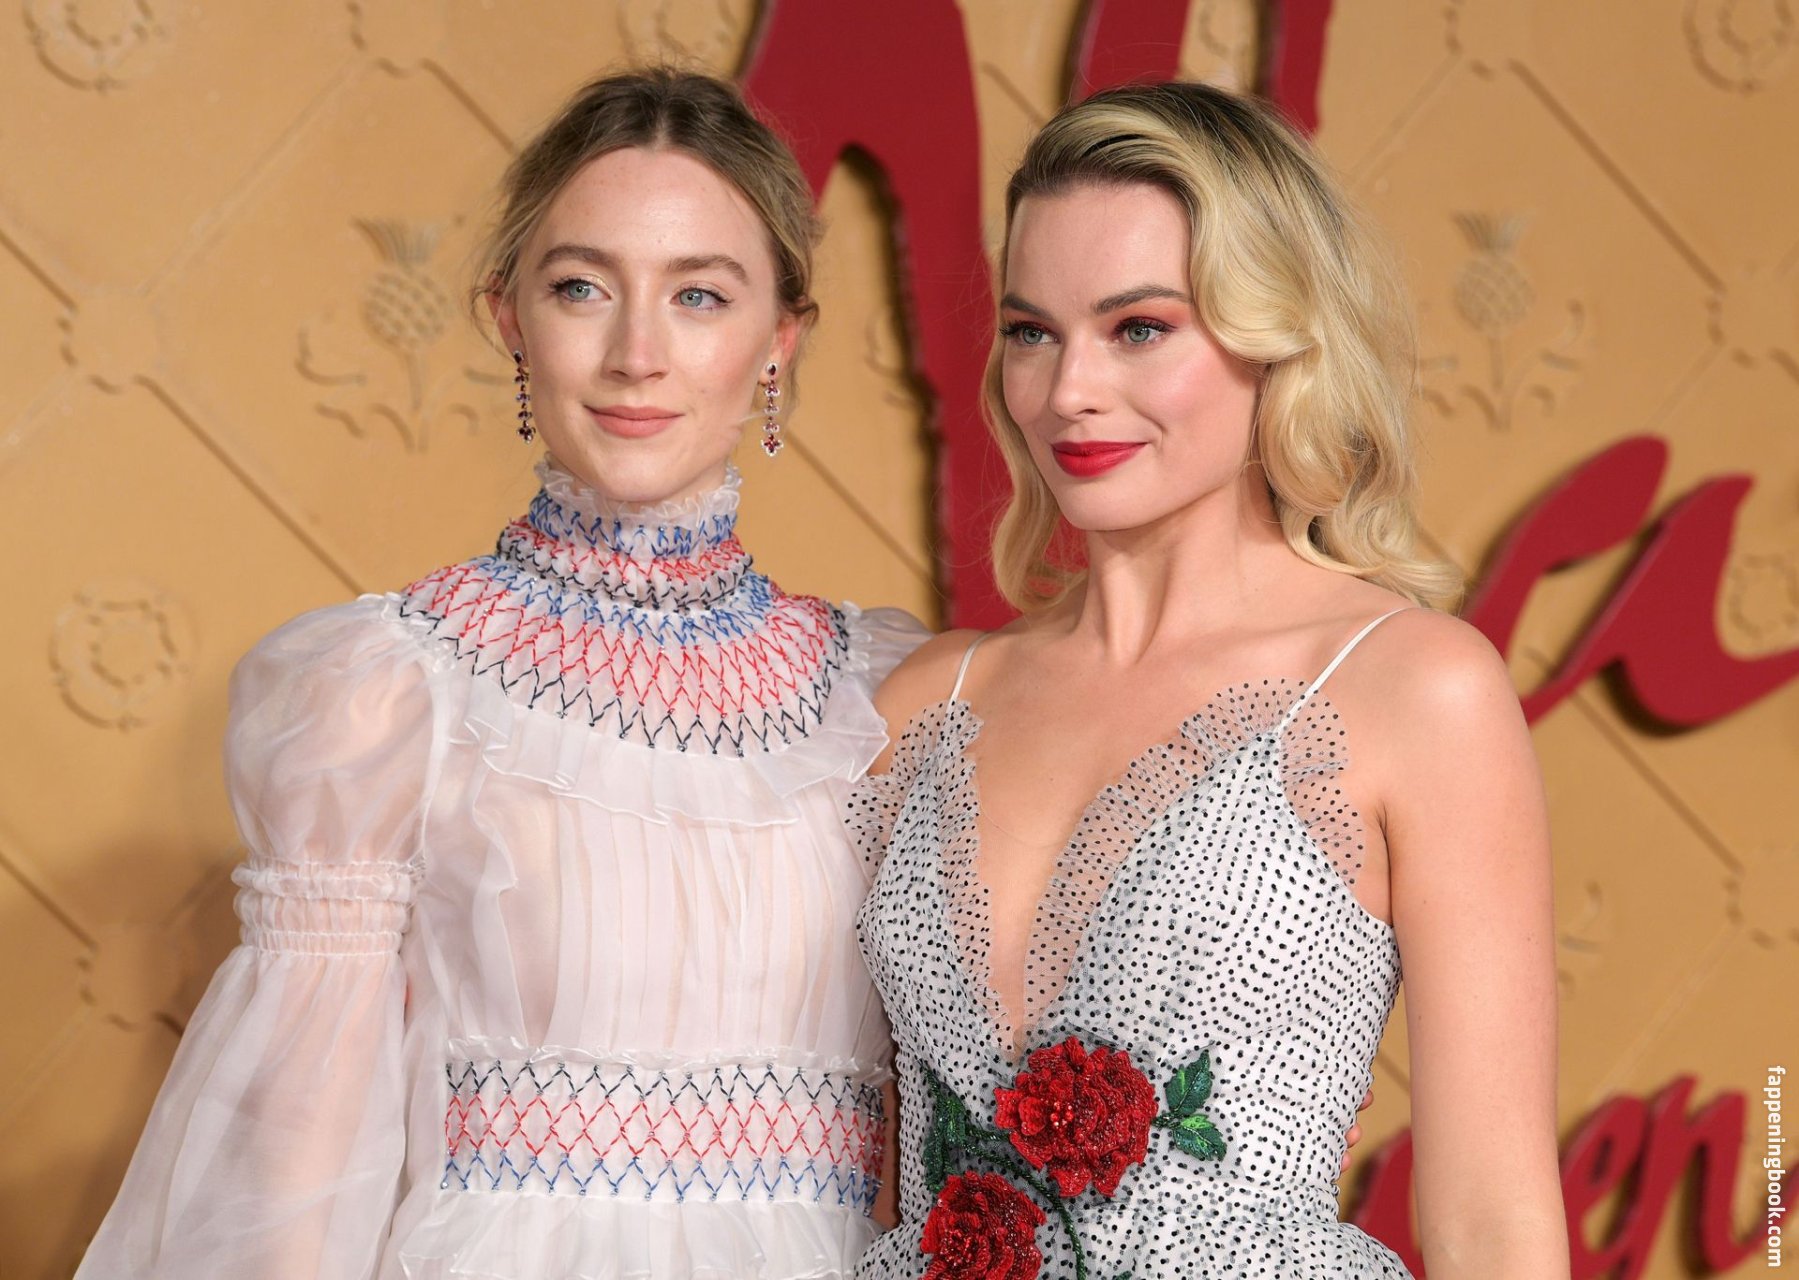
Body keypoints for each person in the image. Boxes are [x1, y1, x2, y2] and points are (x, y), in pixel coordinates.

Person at [77, 69, 926, 1280]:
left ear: (778, 340)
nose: (637, 354)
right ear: (507, 316)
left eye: (698, 295)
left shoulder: (882, 693)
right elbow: (291, 1185)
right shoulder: (381, 694)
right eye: (582, 287)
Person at [849, 82, 1567, 1278]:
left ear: (1275, 337)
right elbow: (864, 1179)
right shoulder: (921, 703)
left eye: (1138, 328)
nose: (1067, 390)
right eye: (1030, 331)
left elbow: (1491, 1221)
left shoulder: (1409, 688)